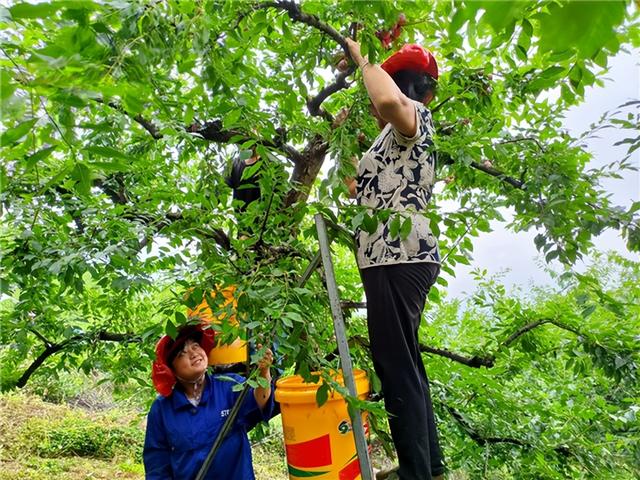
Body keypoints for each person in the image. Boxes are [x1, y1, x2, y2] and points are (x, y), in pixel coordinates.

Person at [344, 38, 445, 480]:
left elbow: (386, 99)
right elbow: (355, 188)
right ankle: (428, 465)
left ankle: (415, 472)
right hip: (387, 255)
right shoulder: (389, 141)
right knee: (404, 359)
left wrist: (362, 59)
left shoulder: (414, 115)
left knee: (395, 361)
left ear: (406, 85)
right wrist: (342, 135)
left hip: (396, 254)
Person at [143, 323, 274, 479]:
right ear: (172, 369)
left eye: (196, 346)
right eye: (182, 353)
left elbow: (260, 401)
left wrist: (264, 371)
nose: (193, 353)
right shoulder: (162, 409)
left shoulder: (230, 385)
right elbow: (156, 465)